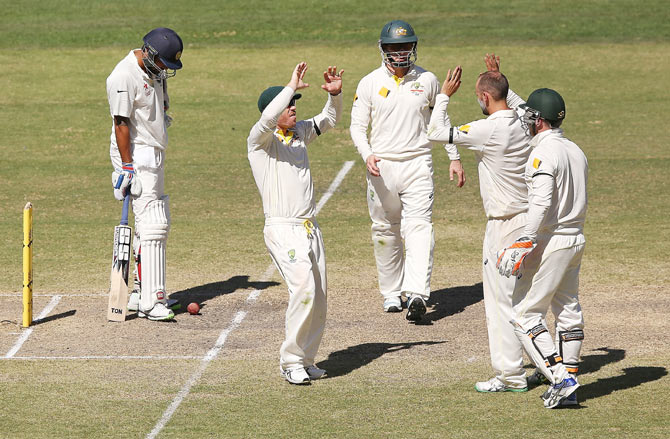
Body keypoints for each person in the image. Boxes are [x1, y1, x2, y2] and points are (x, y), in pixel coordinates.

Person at [426, 54, 532, 392]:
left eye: (478, 95)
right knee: (530, 299)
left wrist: (444, 95)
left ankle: (511, 375)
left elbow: (435, 131)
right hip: (532, 221)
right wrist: (501, 79)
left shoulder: (487, 128)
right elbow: (523, 104)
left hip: (503, 226)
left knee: (502, 301)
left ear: (484, 98)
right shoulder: (527, 121)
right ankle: (549, 361)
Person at [350, 20, 464, 322]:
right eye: (393, 47)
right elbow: (358, 127)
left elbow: (440, 119)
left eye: (405, 46)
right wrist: (367, 154)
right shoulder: (369, 83)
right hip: (382, 166)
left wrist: (454, 156)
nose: (400, 52)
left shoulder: (427, 79)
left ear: (413, 47)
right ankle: (391, 293)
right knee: (385, 230)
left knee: (418, 227)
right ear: (383, 49)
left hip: (418, 164)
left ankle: (416, 294)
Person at [247, 62, 343, 385]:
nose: (293, 109)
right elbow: (266, 118)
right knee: (303, 287)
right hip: (282, 228)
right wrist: (290, 86)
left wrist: (335, 96)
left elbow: (330, 119)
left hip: (309, 227)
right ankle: (289, 361)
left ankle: (306, 358)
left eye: (294, 105)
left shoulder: (298, 133)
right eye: (289, 106)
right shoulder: (260, 142)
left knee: (319, 295)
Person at [496, 88, 588, 408]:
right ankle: (570, 385)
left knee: (525, 316)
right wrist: (505, 88)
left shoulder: (542, 154)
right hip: (576, 237)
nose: (525, 121)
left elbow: (541, 201)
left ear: (538, 121)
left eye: (529, 117)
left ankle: (561, 378)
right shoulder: (575, 150)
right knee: (567, 310)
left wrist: (525, 240)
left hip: (555, 240)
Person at [106, 27, 184, 321]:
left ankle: (141, 293)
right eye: (164, 62)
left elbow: (159, 100)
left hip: (153, 150)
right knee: (153, 223)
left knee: (151, 222)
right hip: (136, 154)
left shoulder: (156, 70)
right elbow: (121, 123)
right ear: (150, 53)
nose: (166, 69)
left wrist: (161, 115)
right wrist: (127, 167)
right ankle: (152, 301)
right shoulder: (122, 76)